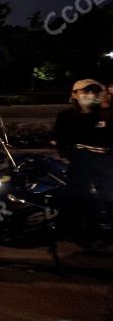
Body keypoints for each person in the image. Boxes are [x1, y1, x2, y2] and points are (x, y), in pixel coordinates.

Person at [54, 79, 113, 242]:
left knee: (108, 196)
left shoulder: (105, 114)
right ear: (75, 95)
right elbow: (60, 140)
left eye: (93, 92)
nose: (89, 95)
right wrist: (68, 154)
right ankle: (82, 231)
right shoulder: (66, 116)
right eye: (85, 92)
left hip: (105, 162)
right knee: (79, 196)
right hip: (80, 163)